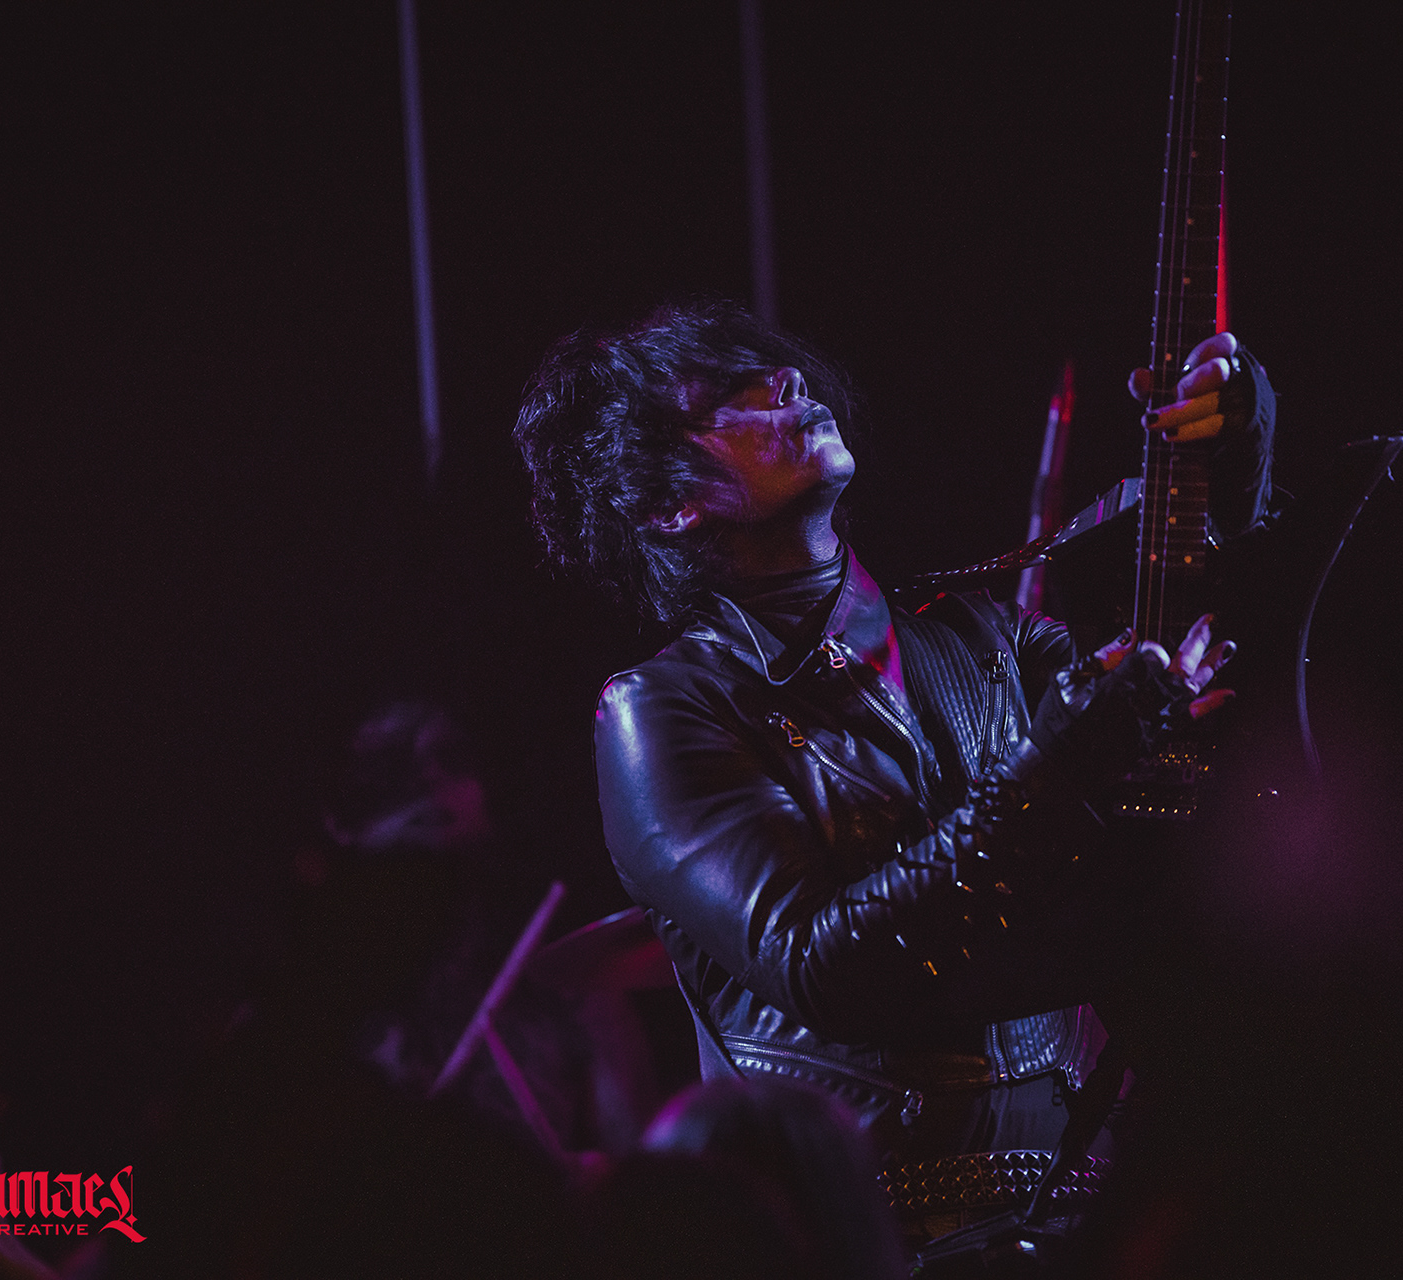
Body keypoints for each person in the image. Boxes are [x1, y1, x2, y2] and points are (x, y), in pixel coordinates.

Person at [512, 301, 1274, 1237]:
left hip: (1099, 1217)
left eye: (770, 366)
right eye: (723, 395)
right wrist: (1059, 767)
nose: (784, 379)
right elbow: (821, 968)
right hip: (874, 1244)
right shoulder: (663, 710)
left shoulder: (986, 638)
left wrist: (1221, 475)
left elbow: (1204, 722)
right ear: (669, 507)